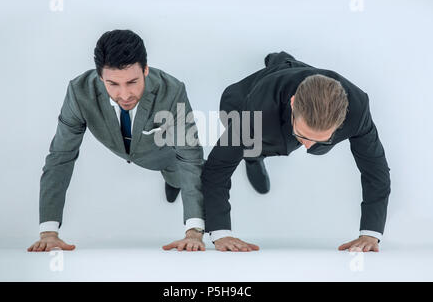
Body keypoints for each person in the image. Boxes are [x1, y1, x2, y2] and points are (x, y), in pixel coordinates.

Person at [28, 30, 206, 252]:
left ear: (146, 70)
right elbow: (60, 157)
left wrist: (194, 231)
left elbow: (189, 156)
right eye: (113, 84)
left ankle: (174, 181)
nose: (124, 95)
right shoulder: (79, 92)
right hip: (125, 146)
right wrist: (49, 231)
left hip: (162, 154)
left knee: (179, 175)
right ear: (100, 77)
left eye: (132, 82)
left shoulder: (172, 91)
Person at [201, 51, 391, 252]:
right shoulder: (258, 108)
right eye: (304, 136)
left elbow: (375, 172)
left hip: (301, 85)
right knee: (251, 145)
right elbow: (217, 168)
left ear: (343, 121)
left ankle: (280, 60)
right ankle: (253, 157)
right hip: (244, 101)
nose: (308, 146)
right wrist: (221, 233)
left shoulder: (358, 109)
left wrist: (370, 233)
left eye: (320, 139)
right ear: (293, 103)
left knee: (289, 141)